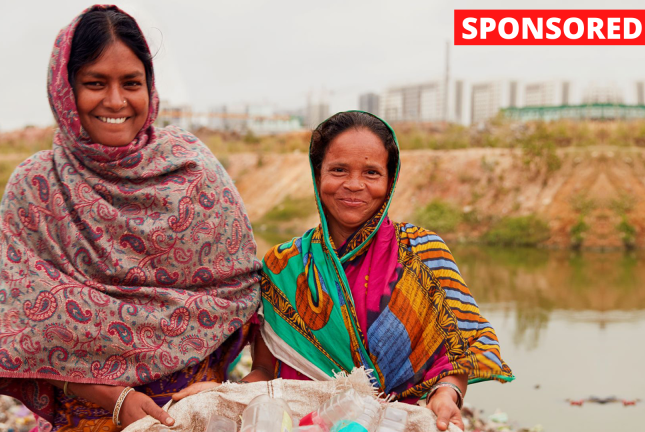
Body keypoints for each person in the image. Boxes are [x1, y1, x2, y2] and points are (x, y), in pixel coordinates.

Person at [0, 5, 260, 431]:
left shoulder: (193, 170)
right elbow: (24, 330)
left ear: (150, 88)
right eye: (95, 83)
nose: (116, 101)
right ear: (65, 89)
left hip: (193, 414)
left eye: (131, 83)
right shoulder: (36, 188)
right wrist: (114, 397)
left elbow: (243, 292)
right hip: (86, 419)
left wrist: (248, 381)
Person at [174, 111, 513, 431]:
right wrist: (222, 393)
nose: (354, 184)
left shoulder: (423, 253)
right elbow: (264, 371)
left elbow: (456, 356)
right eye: (338, 170)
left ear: (390, 180)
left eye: (371, 173)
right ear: (317, 173)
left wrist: (446, 395)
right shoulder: (285, 265)